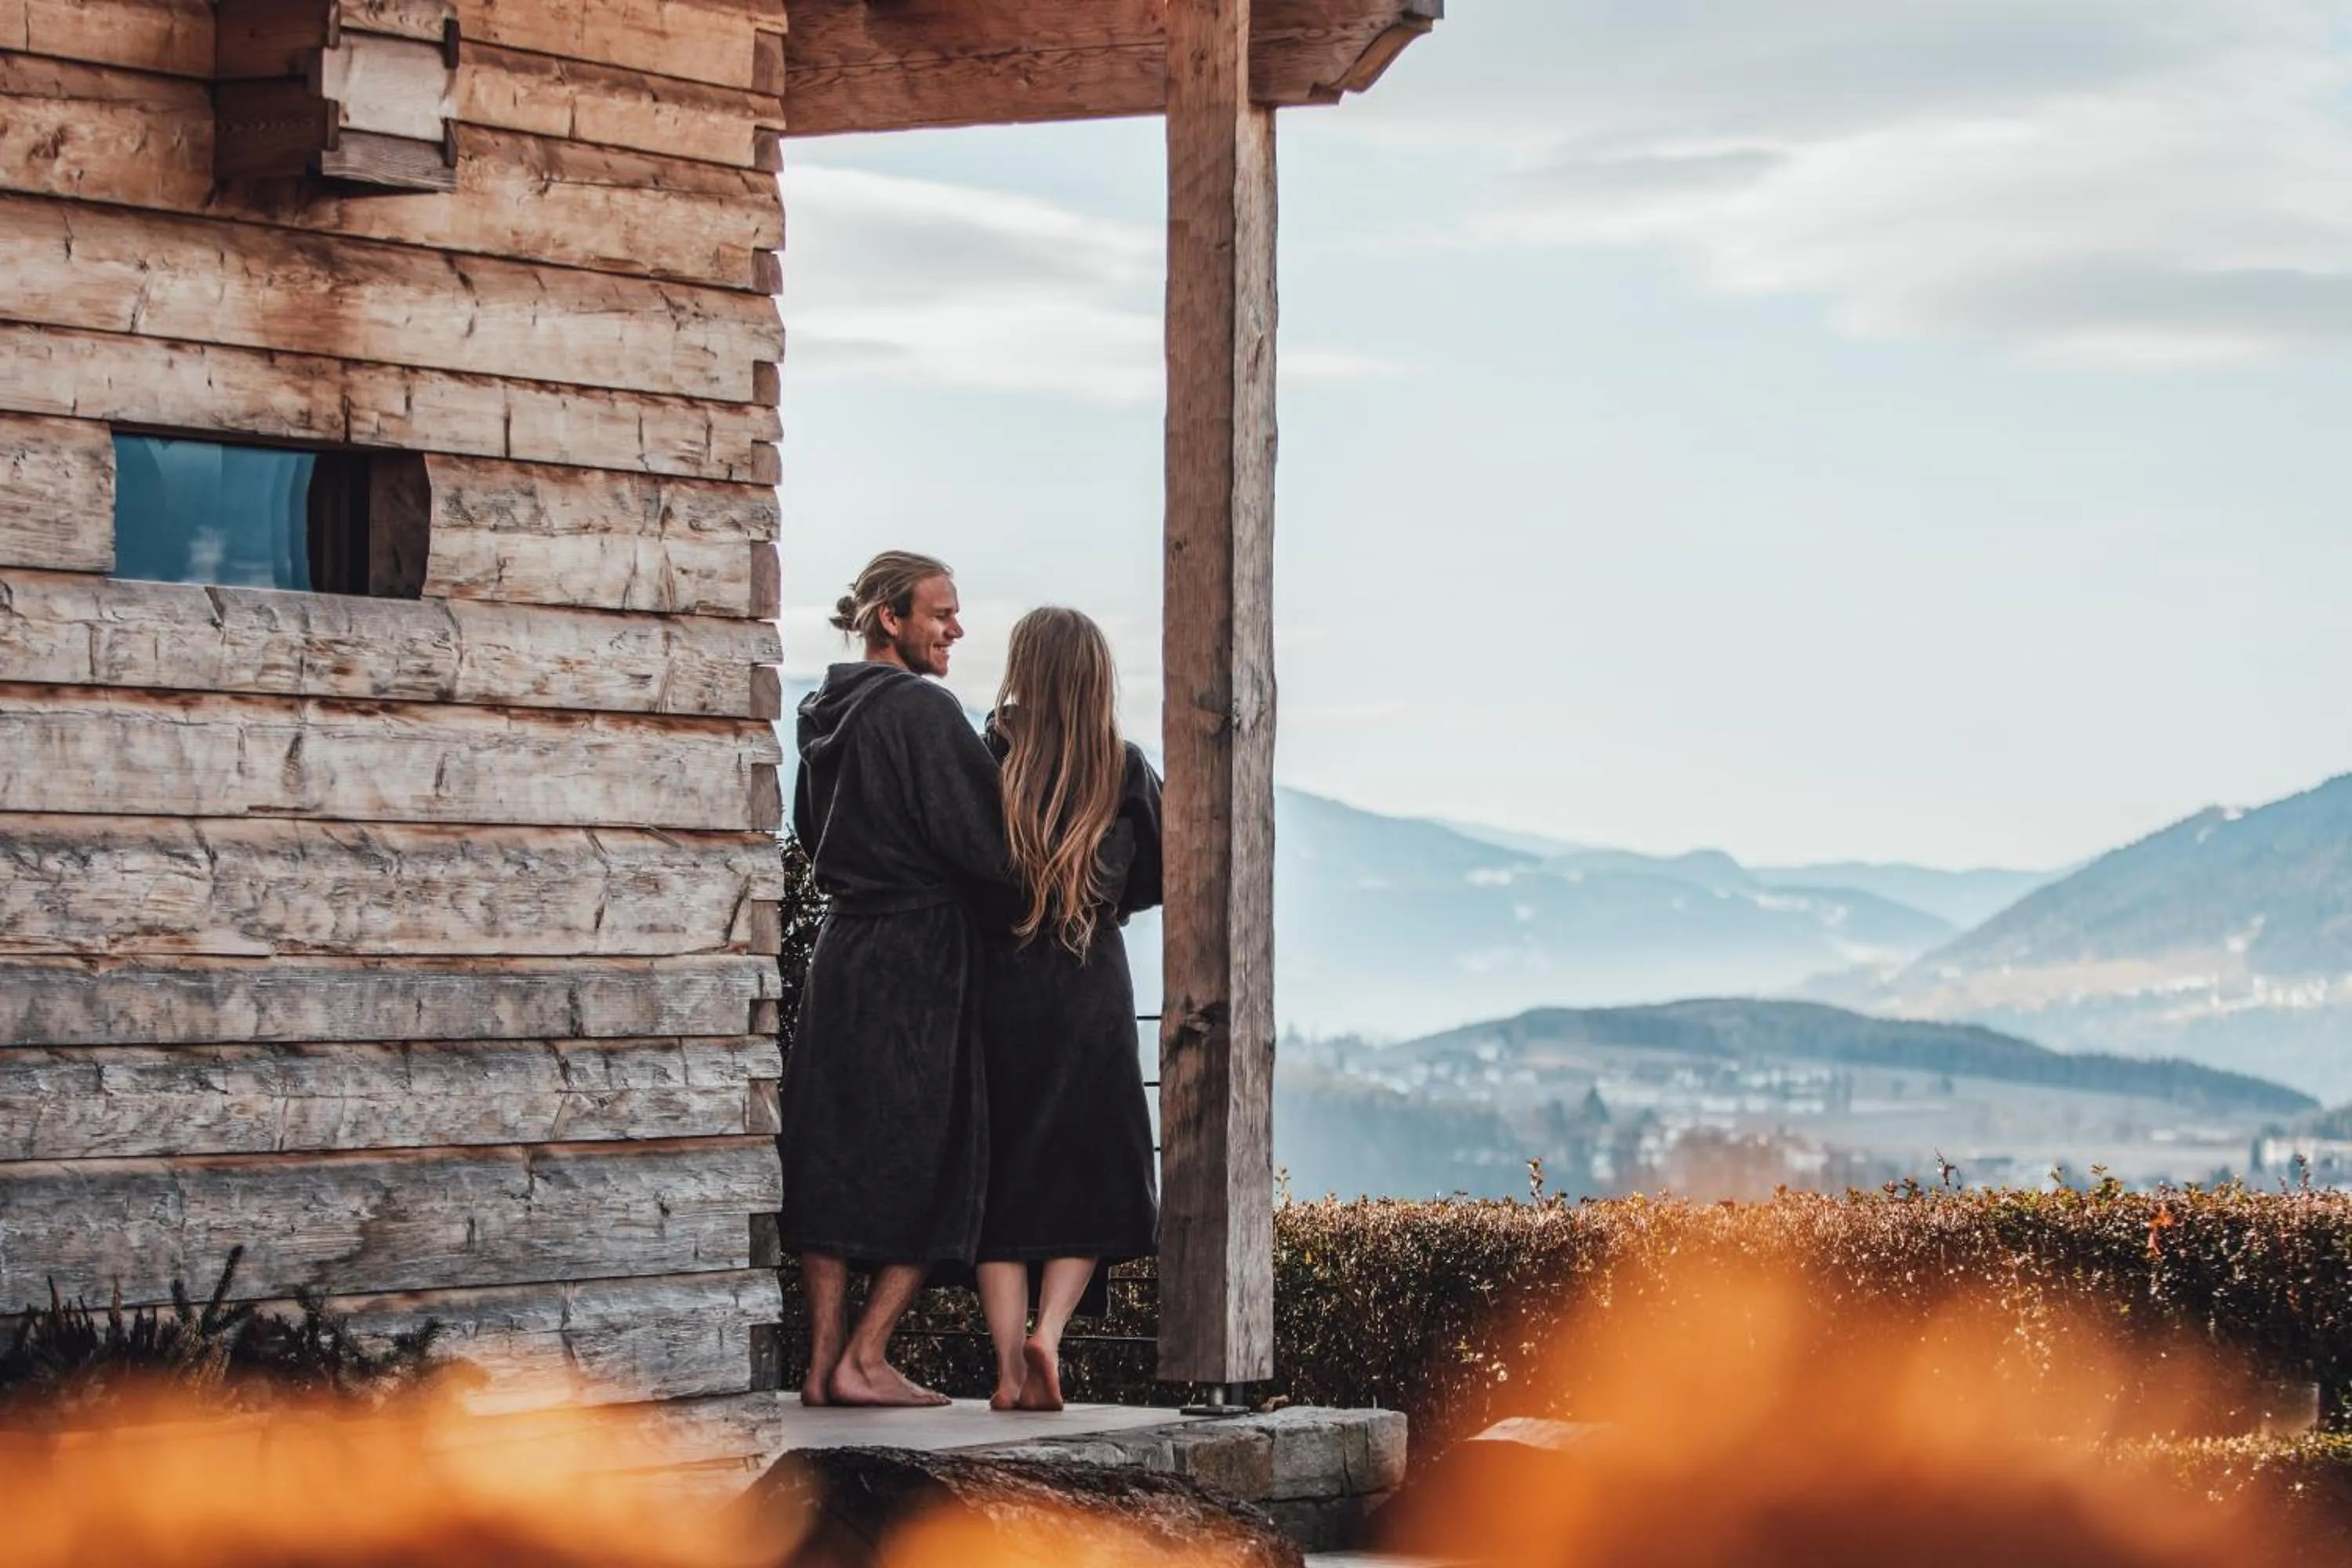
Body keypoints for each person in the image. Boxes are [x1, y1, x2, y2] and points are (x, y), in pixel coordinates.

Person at [780, 550, 1011, 1407]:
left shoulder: (822, 712)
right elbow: (992, 845)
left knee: (832, 1149)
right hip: (920, 953)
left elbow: (809, 835)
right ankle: (868, 1356)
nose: (957, 628)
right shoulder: (922, 709)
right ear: (891, 617)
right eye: (942, 613)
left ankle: (822, 1362)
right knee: (938, 1150)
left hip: (845, 948)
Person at [973, 607, 1164, 1412]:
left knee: (999, 1173)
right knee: (1091, 1167)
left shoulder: (990, 756)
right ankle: (1048, 1333)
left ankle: (1007, 1371)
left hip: (1000, 985)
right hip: (1090, 985)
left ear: (1024, 666)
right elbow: (1159, 872)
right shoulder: (1121, 767)